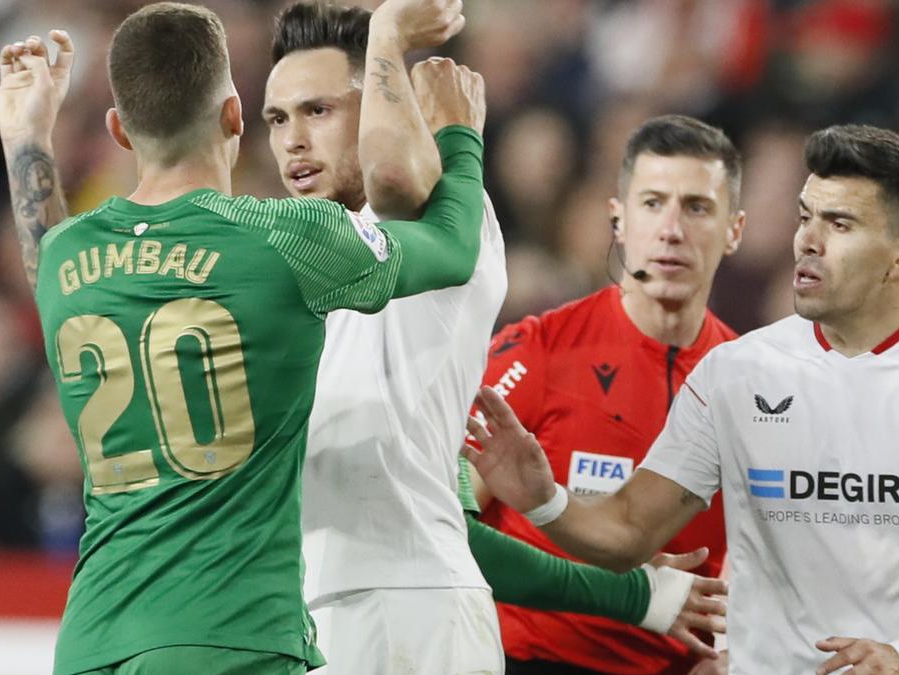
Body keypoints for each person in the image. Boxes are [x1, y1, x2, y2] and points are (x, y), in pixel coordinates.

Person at [466, 124, 899, 675]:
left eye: (840, 225)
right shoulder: (734, 373)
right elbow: (626, 531)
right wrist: (543, 501)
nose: (807, 241)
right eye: (807, 216)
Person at [0, 1, 485, 673]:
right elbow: (452, 248)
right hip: (231, 635)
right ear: (234, 117)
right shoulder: (287, 236)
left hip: (90, 639)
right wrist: (458, 135)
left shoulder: (69, 258)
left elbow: (40, 246)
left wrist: (26, 132)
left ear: (118, 129)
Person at [265, 4, 725, 673]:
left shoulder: (440, 221)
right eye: (277, 119)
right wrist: (637, 596)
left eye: (319, 110)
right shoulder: (311, 274)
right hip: (327, 616)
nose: (293, 141)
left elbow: (394, 176)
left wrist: (390, 38)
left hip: (413, 624)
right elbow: (454, 529)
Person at [470, 114, 743, 675]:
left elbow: (776, 551)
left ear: (734, 230)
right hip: (528, 661)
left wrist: (739, 650)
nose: (672, 230)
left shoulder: (752, 386)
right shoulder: (536, 352)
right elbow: (443, 518)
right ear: (617, 221)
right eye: (651, 203)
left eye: (696, 207)